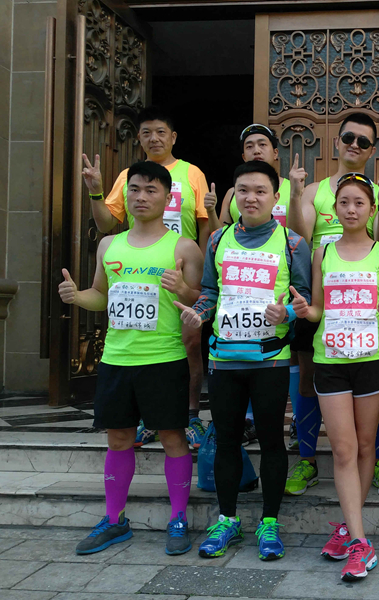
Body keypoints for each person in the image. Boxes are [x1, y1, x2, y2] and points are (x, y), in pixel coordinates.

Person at [61, 161, 204, 556]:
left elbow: (200, 300)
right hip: (117, 359)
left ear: (168, 198)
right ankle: (114, 520)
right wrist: (77, 297)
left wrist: (183, 289)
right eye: (135, 189)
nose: (141, 197)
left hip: (164, 358)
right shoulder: (110, 245)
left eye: (151, 190)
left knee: (173, 438)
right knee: (119, 438)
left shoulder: (183, 248)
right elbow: (100, 295)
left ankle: (178, 519)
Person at [175, 161, 312, 560]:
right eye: (243, 191)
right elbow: (209, 293)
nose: (251, 198)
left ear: (275, 197)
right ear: (233, 196)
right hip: (224, 361)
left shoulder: (292, 244)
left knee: (271, 441)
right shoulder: (217, 240)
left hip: (271, 361)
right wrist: (198, 313)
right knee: (226, 441)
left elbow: (303, 299)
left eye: (260, 191)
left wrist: (286, 312)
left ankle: (269, 522)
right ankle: (228, 520)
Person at [81, 106, 214, 449]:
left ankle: (190, 416)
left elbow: (204, 225)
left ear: (173, 137)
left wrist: (201, 276)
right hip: (137, 274)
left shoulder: (192, 173)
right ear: (138, 138)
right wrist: (96, 192)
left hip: (177, 273)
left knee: (189, 346)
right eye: (146, 133)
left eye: (160, 132)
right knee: (141, 347)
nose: (154, 138)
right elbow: (106, 223)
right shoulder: (129, 176)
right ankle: (146, 420)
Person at [286, 113, 379, 498]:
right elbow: (298, 237)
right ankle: (306, 458)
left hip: (366, 304)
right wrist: (295, 196)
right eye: (348, 137)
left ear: (372, 150)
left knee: (372, 379)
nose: (354, 144)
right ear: (336, 142)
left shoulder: (377, 191)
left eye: (363, 141)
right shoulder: (315, 191)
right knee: (308, 380)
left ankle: (378, 459)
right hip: (323, 297)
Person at [292, 173, 379, 581]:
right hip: (331, 360)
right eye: (344, 203)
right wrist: (307, 312)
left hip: (372, 359)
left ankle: (349, 528)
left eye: (359, 203)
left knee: (366, 445)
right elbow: (319, 308)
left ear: (371, 210)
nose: (351, 209)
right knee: (342, 449)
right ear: (334, 209)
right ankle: (360, 541)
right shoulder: (322, 252)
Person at [219, 124, 307, 446]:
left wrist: (295, 196)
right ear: (243, 154)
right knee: (248, 350)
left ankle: (295, 418)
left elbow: (301, 236)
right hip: (243, 284)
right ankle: (250, 420)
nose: (256, 150)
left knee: (291, 353)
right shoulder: (233, 193)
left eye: (263, 144)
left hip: (282, 282)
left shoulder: (291, 185)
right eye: (250, 145)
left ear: (275, 152)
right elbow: (222, 234)